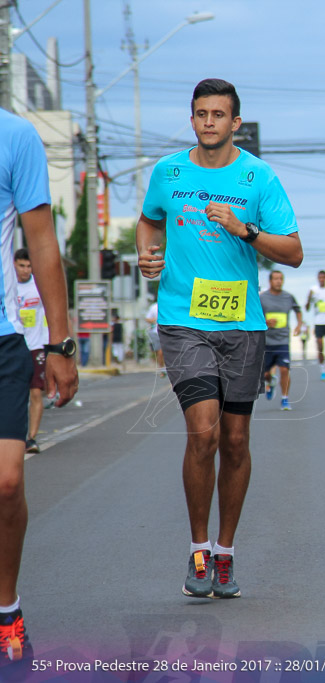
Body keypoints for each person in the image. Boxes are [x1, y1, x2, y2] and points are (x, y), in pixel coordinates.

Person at [136, 78, 302, 600]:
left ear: (236, 123)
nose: (209, 122)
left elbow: (294, 252)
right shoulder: (168, 172)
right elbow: (148, 222)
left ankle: (226, 551)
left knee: (234, 441)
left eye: (219, 115)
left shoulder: (259, 177)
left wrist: (245, 230)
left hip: (243, 327)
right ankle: (199, 547)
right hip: (184, 320)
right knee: (203, 433)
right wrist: (147, 256)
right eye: (201, 114)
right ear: (192, 120)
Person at [0, 107, 78, 676]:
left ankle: (7, 609)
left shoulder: (16, 135)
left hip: (3, 337)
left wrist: (60, 341)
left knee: (6, 483)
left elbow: (43, 240)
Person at [14, 249, 48, 455]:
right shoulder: (8, 285)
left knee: (36, 392)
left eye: (29, 266)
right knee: (15, 393)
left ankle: (31, 438)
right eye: (22, 266)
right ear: (14, 265)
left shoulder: (39, 285)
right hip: (13, 344)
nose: (26, 270)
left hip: (36, 346)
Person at [260, 270, 303, 410]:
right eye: (276, 279)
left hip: (283, 340)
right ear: (270, 281)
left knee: (284, 369)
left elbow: (298, 310)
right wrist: (265, 322)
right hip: (266, 341)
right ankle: (270, 382)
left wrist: (299, 324)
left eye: (281, 278)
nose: (279, 281)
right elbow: (254, 315)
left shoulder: (288, 297)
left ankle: (285, 399)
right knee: (265, 374)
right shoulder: (262, 297)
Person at [145, 299, 164, 372]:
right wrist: (154, 320)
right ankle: (161, 367)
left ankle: (162, 367)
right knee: (159, 351)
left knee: (163, 351)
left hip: (168, 331)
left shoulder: (169, 305)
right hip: (156, 332)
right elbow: (147, 319)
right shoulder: (154, 307)